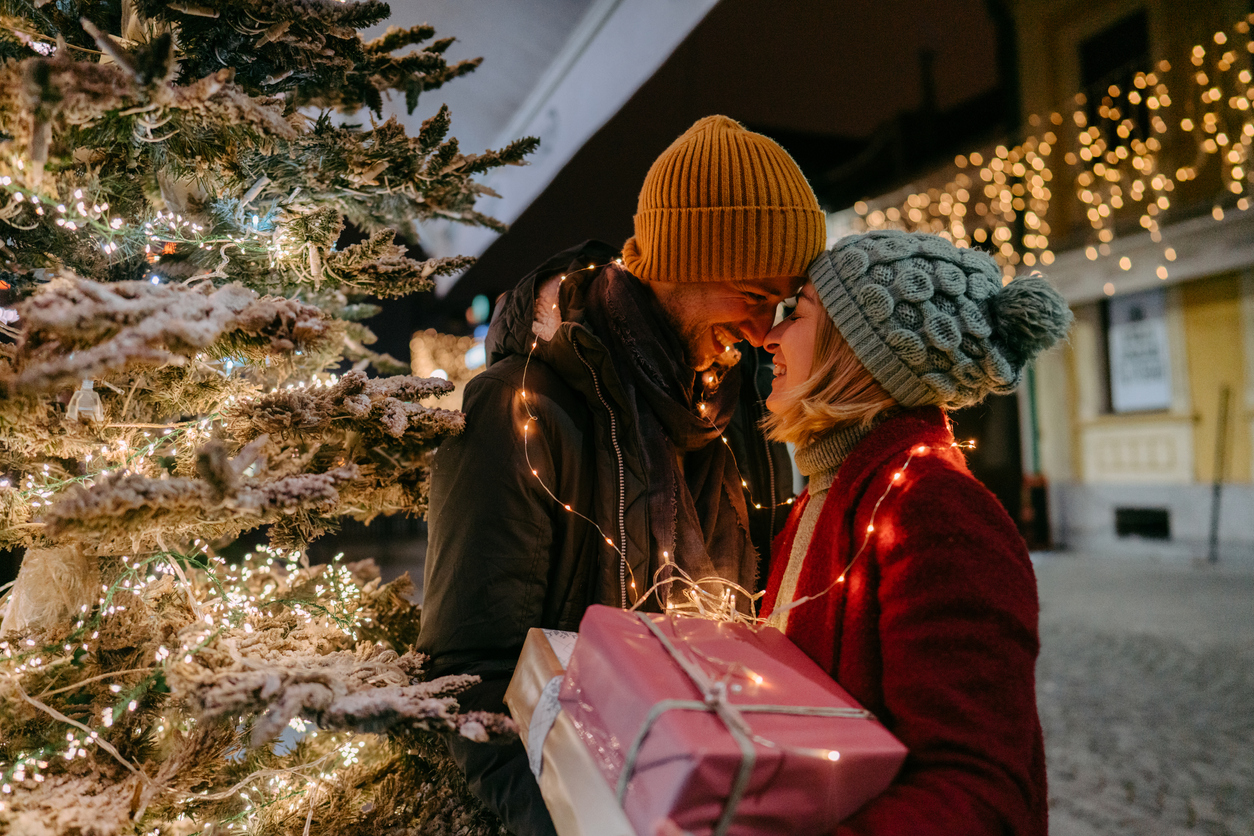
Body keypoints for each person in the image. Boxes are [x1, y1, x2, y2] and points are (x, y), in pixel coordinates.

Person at [418, 115, 825, 835]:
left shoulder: (737, 414)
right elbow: (469, 679)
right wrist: (583, 823)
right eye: (754, 295)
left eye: (782, 303)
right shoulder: (521, 408)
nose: (766, 332)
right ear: (683, 262)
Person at [758, 229, 1071, 835]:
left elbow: (978, 793)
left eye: (796, 313)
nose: (769, 337)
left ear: (858, 349)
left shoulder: (935, 507)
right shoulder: (831, 492)